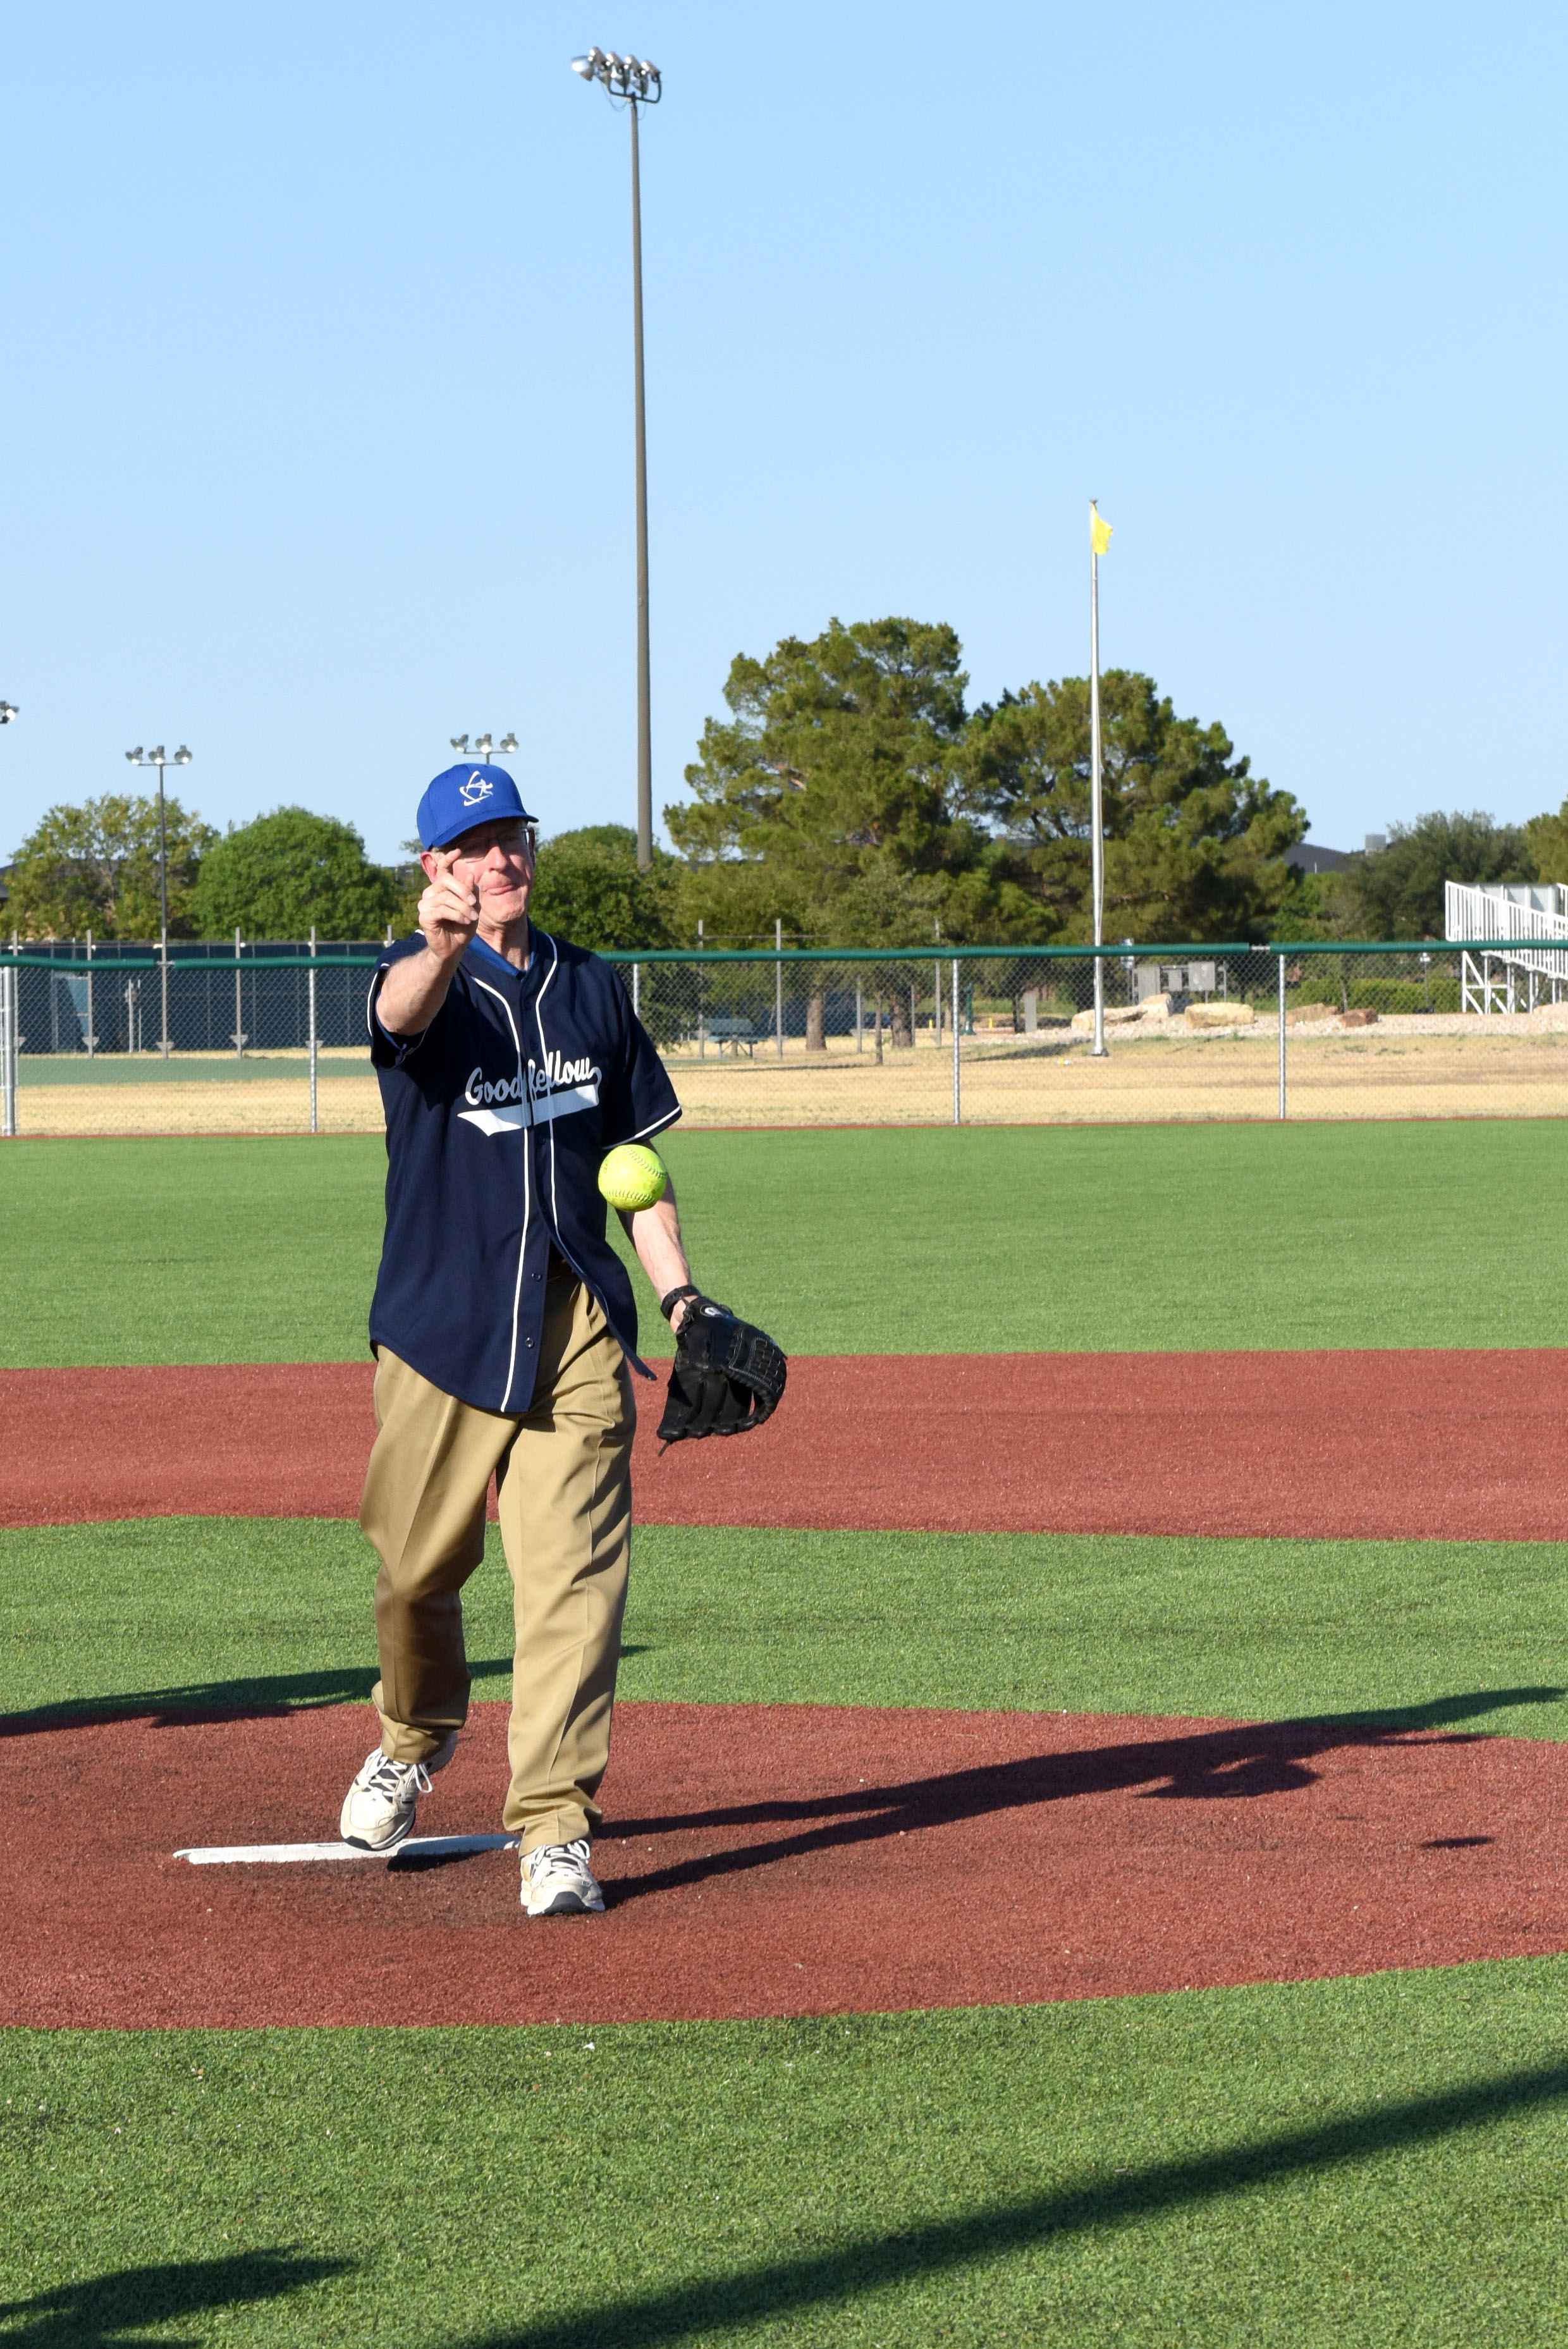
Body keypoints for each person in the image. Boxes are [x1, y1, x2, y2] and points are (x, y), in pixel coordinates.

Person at [340, 757, 701, 1918]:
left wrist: (683, 1298)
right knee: (413, 1572)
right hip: (443, 1326)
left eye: (515, 836)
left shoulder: (594, 990)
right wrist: (439, 946)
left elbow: (638, 1170)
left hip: (576, 1320)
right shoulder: (418, 982)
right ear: (437, 867)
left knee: (575, 1586)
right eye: (477, 842)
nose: (504, 857)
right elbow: (396, 1019)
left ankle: (555, 1825)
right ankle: (414, 1735)